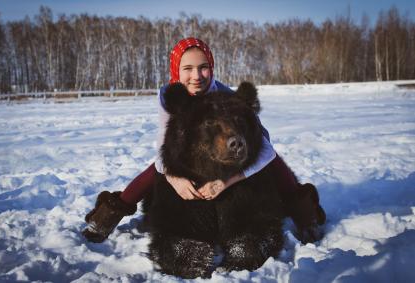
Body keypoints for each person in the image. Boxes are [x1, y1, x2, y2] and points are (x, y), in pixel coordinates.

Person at [82, 37, 326, 244]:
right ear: (176, 71)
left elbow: (265, 151)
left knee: (272, 164)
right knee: (156, 169)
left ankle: (306, 215)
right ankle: (106, 217)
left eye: (203, 67)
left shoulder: (226, 98)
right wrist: (174, 177)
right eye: (187, 68)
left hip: (243, 148)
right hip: (201, 151)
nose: (196, 76)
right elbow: (164, 149)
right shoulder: (170, 96)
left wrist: (226, 182)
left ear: (212, 68)